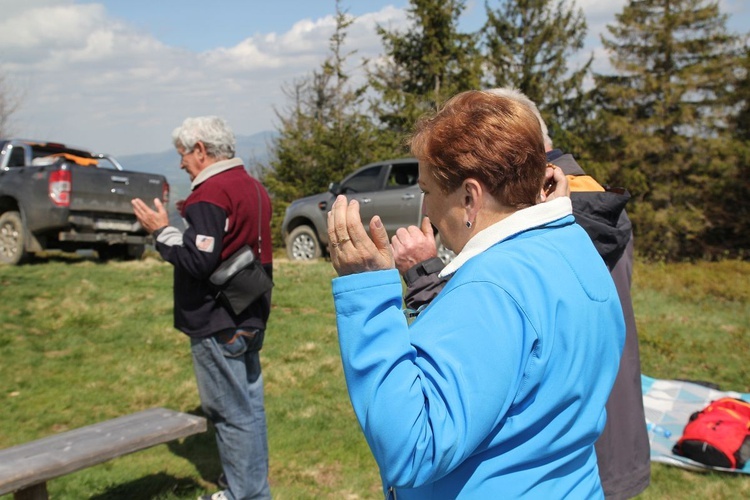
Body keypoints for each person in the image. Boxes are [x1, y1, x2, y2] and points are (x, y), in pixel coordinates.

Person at [327, 90, 625, 498]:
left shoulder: (493, 287)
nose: (426, 208)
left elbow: (414, 447)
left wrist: (367, 297)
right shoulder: (574, 245)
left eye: (428, 191)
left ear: (470, 196)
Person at [131, 116, 272, 500]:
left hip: (217, 319)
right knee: (251, 409)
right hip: (251, 311)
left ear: (200, 150)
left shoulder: (210, 193)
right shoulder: (253, 186)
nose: (180, 164)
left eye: (182, 155)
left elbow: (198, 262)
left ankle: (244, 493)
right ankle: (253, 489)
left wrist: (162, 232)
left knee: (230, 413)